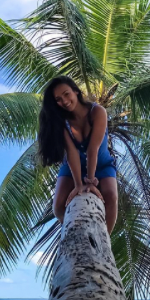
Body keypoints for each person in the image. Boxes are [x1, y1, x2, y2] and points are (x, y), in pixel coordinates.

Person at [37, 76, 118, 234]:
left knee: (111, 197)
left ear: (76, 91)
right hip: (73, 166)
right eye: (58, 99)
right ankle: (76, 234)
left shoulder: (97, 111)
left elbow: (92, 148)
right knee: (58, 206)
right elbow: (72, 152)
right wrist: (79, 185)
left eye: (66, 94)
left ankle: (105, 240)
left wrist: (90, 181)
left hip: (102, 164)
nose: (64, 101)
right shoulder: (63, 121)